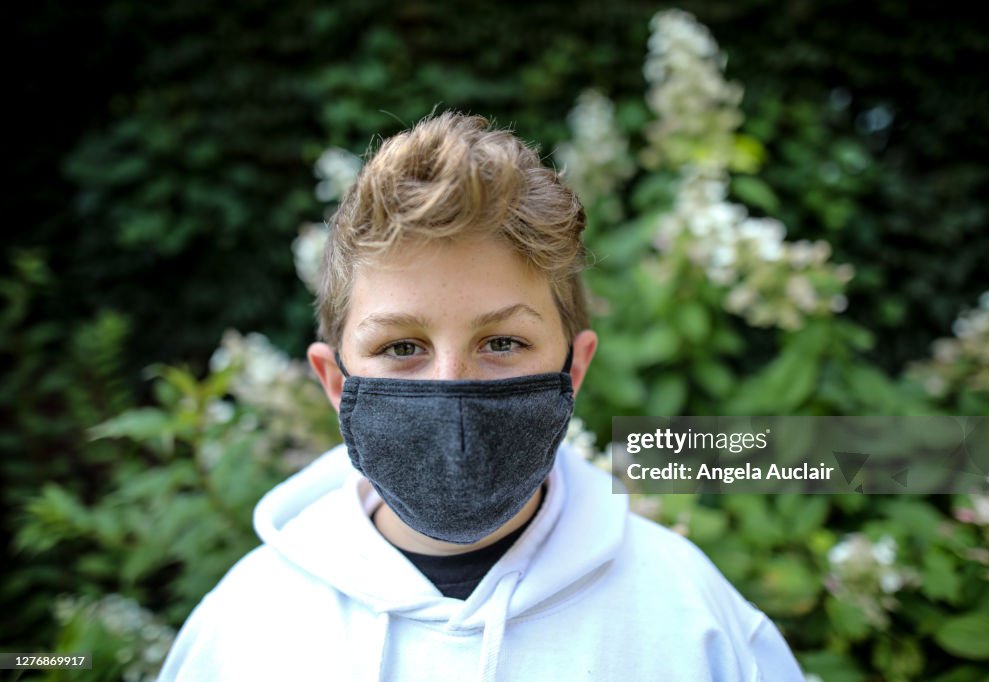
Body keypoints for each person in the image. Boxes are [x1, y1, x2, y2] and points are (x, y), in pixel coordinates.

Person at [157, 112, 804, 681]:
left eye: (501, 343)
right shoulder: (243, 630)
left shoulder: (694, 619)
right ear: (335, 384)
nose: (452, 387)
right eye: (402, 348)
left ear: (573, 371)